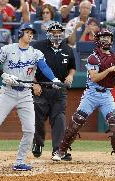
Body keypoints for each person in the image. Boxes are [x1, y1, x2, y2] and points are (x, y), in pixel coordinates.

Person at [0, 23, 61, 171]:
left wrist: (54, 80)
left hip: (25, 93)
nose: (30, 35)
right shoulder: (7, 49)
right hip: (8, 92)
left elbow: (44, 67)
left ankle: (19, 161)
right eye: (27, 32)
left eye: (32, 33)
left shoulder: (35, 53)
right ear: (20, 33)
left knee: (30, 130)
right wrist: (4, 75)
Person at [51, 29, 115, 165]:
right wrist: (110, 70)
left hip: (106, 95)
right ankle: (61, 151)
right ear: (98, 40)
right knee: (76, 122)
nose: (107, 40)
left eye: (109, 38)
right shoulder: (93, 57)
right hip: (91, 93)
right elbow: (94, 78)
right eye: (104, 37)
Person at [31, 22, 76, 160]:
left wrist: (70, 75)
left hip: (59, 90)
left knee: (59, 119)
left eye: (59, 32)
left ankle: (58, 149)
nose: (56, 35)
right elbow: (29, 66)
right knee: (37, 118)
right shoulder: (38, 46)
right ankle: (38, 143)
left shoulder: (68, 49)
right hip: (41, 88)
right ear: (48, 32)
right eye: (53, 32)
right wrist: (34, 83)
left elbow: (72, 67)